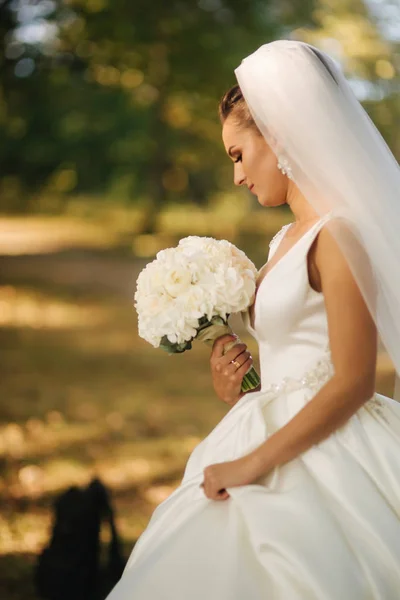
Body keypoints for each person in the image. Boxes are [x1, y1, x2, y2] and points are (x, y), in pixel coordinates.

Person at [106, 40, 400, 599]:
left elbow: (354, 380)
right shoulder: (282, 239)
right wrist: (240, 385)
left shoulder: (339, 238)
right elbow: (294, 363)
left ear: (281, 136)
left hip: (330, 450)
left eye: (239, 155)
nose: (237, 176)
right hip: (263, 427)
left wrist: (251, 465)